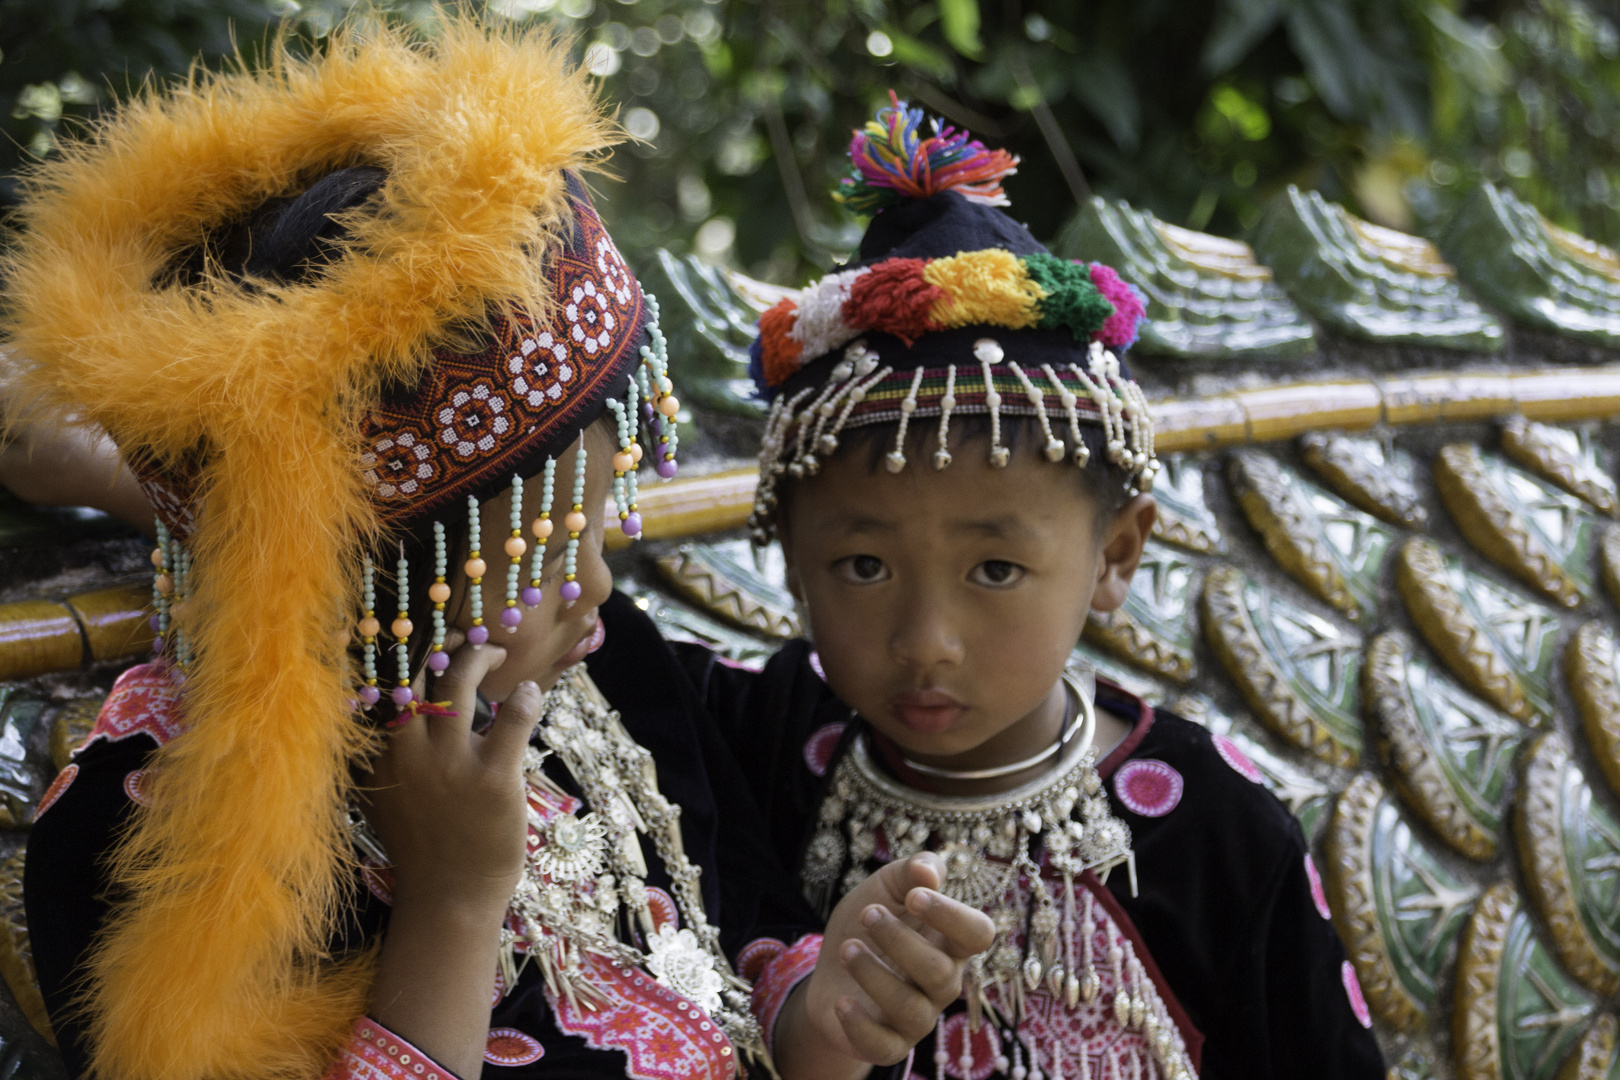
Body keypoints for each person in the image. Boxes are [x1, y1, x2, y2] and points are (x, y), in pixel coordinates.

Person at [8, 29, 991, 1080]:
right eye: (540, 553)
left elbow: (736, 937)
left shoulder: (601, 671)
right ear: (357, 589)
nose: (603, 594)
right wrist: (452, 899)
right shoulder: (153, 844)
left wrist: (822, 1019)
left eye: (599, 527)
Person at [677, 98, 1387, 1080]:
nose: (927, 639)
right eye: (863, 567)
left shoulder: (1208, 824)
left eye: (997, 569)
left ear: (1116, 558)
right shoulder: (765, 743)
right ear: (791, 560)